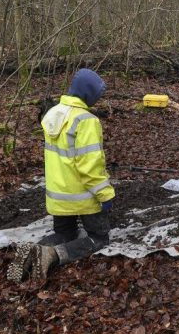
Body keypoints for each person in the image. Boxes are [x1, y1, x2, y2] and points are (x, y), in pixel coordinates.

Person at [7, 68, 115, 282]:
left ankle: (34, 249)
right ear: (88, 94)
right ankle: (53, 254)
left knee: (65, 233)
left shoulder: (52, 114)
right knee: (98, 238)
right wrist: (105, 195)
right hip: (83, 197)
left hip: (57, 197)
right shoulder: (86, 121)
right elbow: (89, 167)